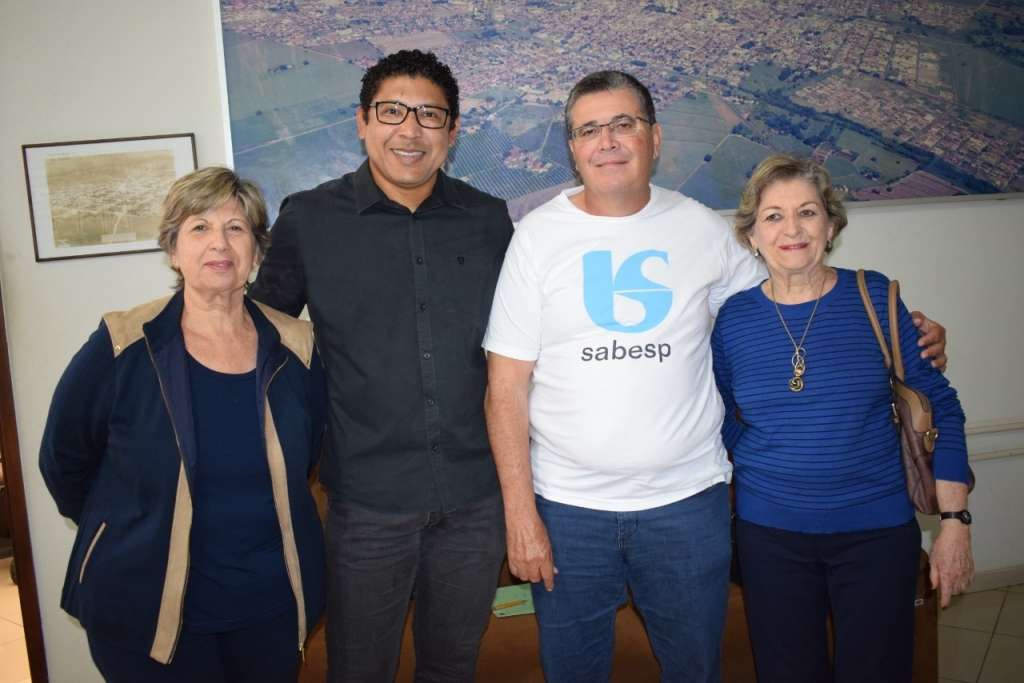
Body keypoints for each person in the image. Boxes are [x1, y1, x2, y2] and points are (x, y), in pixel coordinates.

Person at [482, 71, 948, 682]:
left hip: (688, 506)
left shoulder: (703, 229)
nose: (608, 141)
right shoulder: (535, 240)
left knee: (696, 670)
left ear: (654, 137)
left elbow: (793, 301)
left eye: (624, 124)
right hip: (569, 510)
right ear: (572, 147)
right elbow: (505, 388)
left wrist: (903, 335)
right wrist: (521, 518)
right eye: (590, 129)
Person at [249, 49, 512, 682]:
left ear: (452, 132)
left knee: (454, 666)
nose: (411, 130)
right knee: (359, 670)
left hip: (476, 499)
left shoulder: (488, 221)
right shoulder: (309, 219)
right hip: (367, 503)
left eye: (430, 115)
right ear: (362, 122)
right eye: (393, 111)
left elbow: (521, 351)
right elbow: (260, 341)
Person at [39, 166, 327, 682]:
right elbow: (63, 458)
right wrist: (126, 524)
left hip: (268, 607)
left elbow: (309, 455)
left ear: (256, 254)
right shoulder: (125, 342)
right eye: (199, 227)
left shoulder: (297, 347)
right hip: (147, 608)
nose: (219, 243)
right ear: (173, 250)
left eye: (236, 228)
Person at [710, 154, 973, 682]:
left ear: (830, 226)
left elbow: (940, 405)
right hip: (770, 538)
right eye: (774, 216)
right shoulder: (733, 319)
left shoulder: (874, 295)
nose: (792, 229)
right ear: (752, 236)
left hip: (876, 535)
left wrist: (953, 525)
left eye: (807, 213)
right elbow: (723, 417)